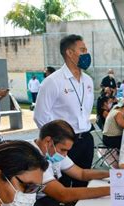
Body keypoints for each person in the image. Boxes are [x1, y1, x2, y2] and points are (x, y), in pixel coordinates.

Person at [33, 34, 94, 188]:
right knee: (63, 186)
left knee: (83, 183)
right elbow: (40, 116)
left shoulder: (88, 81)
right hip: (64, 143)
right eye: (83, 50)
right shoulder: (53, 81)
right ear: (69, 53)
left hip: (85, 139)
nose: (87, 54)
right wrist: (56, 141)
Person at [31, 120, 110, 206]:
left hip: (51, 201)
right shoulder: (32, 159)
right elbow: (63, 194)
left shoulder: (52, 151)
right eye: (63, 150)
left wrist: (113, 174)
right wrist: (113, 190)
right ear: (48, 141)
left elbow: (82, 173)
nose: (65, 155)